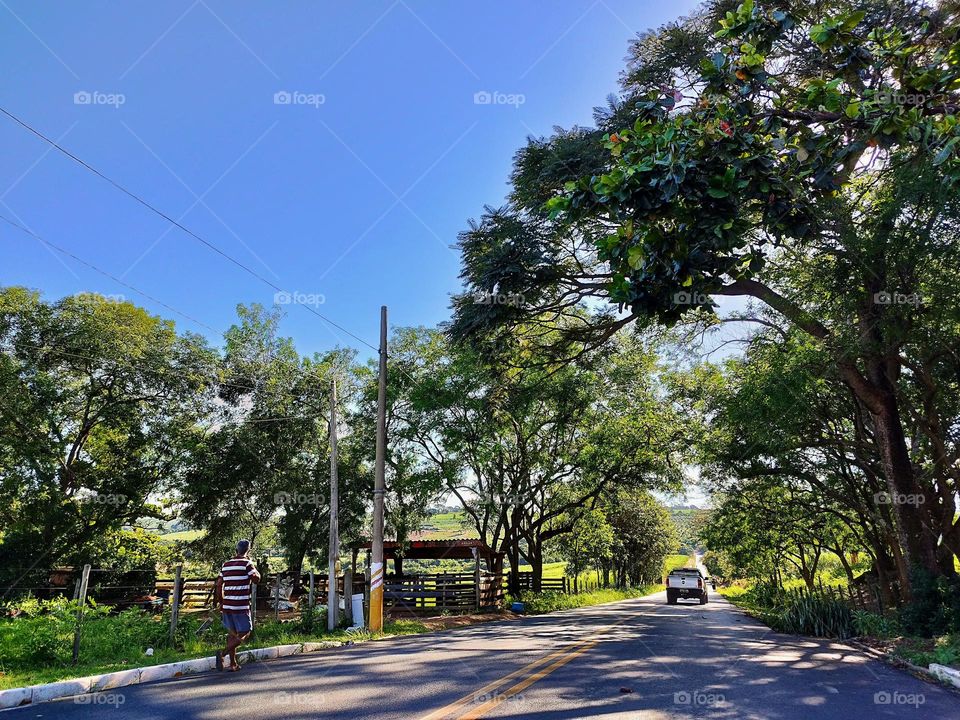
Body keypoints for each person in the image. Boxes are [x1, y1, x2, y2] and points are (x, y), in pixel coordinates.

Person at [214, 539, 260, 672]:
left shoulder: (226, 564)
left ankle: (233, 664)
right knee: (246, 631)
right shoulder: (247, 563)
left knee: (232, 634)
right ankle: (222, 654)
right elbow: (256, 579)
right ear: (248, 550)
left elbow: (218, 585)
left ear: (236, 549)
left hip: (227, 605)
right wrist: (255, 570)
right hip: (241, 605)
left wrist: (221, 602)